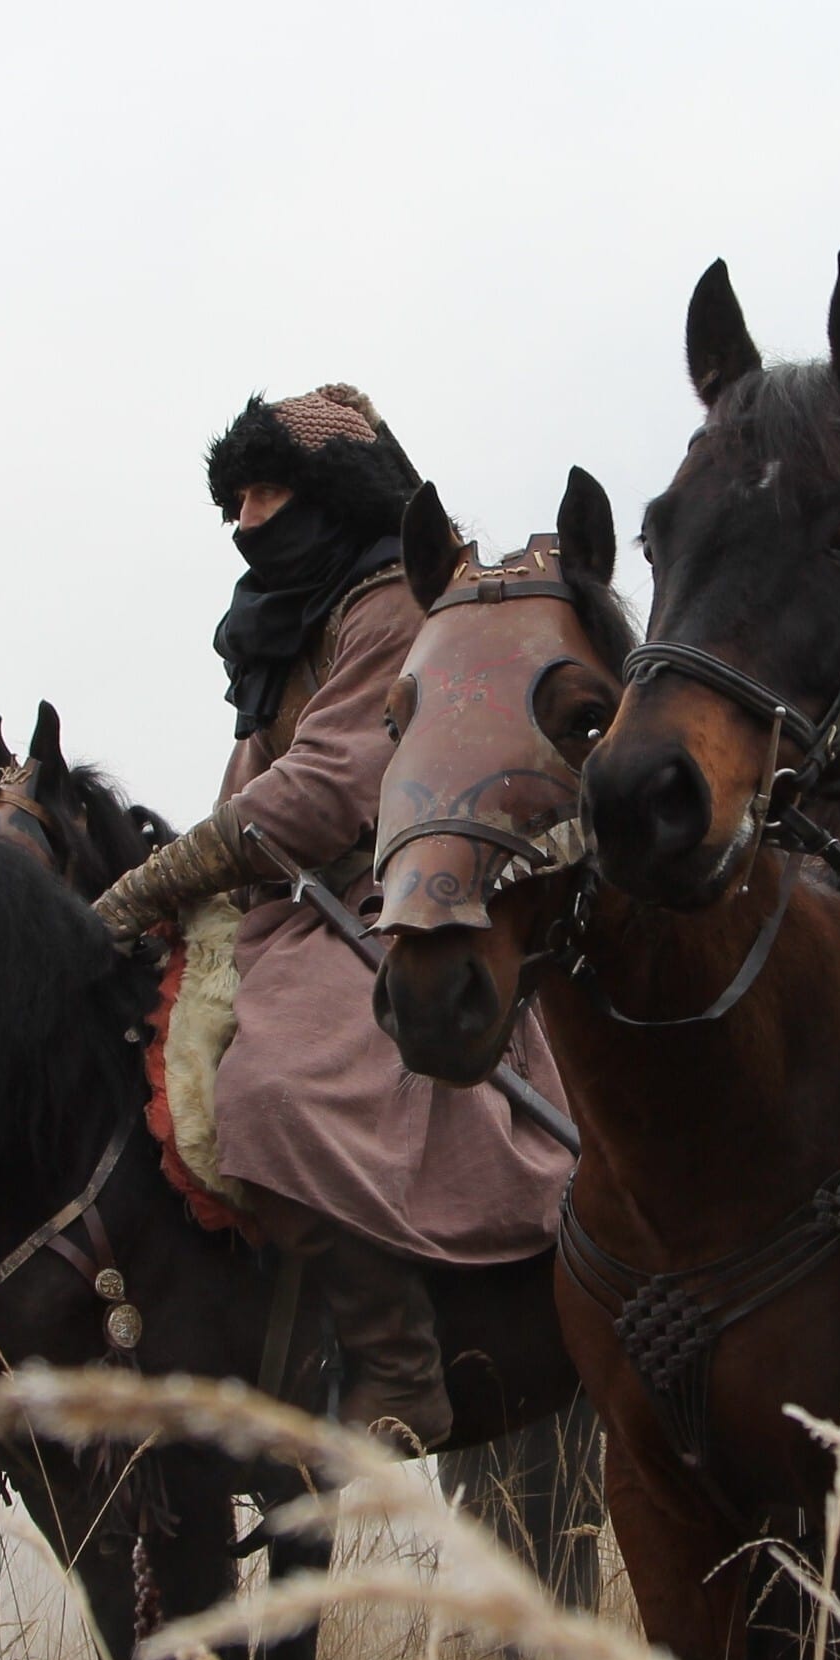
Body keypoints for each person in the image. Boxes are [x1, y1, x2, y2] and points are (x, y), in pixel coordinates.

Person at [92, 385, 572, 1444]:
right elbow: (248, 797)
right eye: (237, 498)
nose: (247, 520)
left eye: (268, 491)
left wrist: (148, 883)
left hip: (389, 893)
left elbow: (321, 793)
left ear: (330, 494)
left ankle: (400, 1366)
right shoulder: (284, 625)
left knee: (266, 1093)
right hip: (280, 905)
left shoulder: (394, 601)